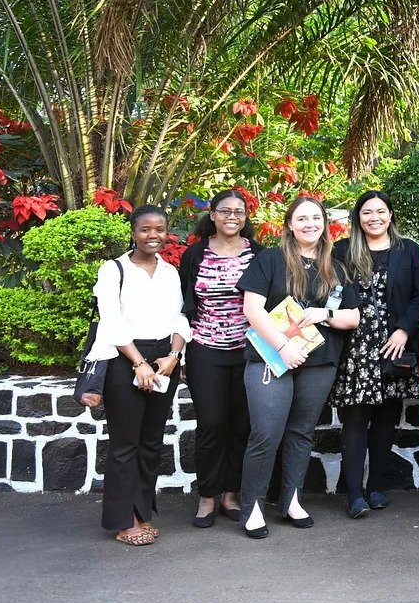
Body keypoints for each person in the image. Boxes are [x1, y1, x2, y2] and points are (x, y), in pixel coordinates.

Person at [238, 196, 362, 539]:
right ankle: (253, 507)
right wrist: (283, 347)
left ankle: (291, 500)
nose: (309, 224)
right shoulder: (270, 260)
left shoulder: (335, 268)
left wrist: (327, 314)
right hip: (271, 360)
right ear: (289, 225)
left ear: (325, 224)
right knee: (265, 433)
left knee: (300, 433)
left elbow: (354, 316)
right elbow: (253, 309)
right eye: (302, 219)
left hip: (319, 364)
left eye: (316, 219)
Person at [88, 205, 190, 546]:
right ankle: (123, 521)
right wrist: (137, 363)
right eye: (145, 229)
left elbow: (180, 318)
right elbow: (111, 321)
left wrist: (173, 356)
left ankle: (142, 512)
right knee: (124, 444)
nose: (153, 235)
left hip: (163, 362)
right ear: (133, 232)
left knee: (150, 443)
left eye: (159, 229)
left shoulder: (170, 272)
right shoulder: (113, 270)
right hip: (124, 360)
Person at [331, 191, 419, 519]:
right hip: (355, 348)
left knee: (387, 418)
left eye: (381, 211)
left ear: (391, 215)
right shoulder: (343, 251)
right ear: (358, 217)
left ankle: (376, 487)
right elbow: (329, 292)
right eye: (367, 212)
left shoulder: (409, 251)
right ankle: (354, 494)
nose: (375, 217)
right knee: (356, 419)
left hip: (394, 346)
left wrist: (404, 330)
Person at [178, 189, 262, 528]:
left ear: (245, 217)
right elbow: (182, 307)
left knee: (242, 425)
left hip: (249, 351)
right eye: (224, 210)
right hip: (205, 349)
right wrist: (180, 353)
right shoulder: (194, 255)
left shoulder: (259, 254)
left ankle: (231, 494)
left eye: (239, 211)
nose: (232, 216)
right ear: (212, 215)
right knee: (212, 423)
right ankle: (207, 496)